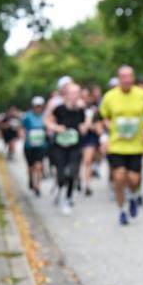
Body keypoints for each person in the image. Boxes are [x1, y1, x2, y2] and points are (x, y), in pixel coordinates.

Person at [99, 65, 143, 225]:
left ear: (133, 78)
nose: (127, 80)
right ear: (118, 79)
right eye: (123, 77)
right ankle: (121, 210)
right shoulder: (109, 97)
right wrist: (105, 136)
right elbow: (101, 117)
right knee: (119, 177)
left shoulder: (142, 95)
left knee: (134, 179)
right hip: (116, 145)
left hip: (136, 145)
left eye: (129, 77)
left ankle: (133, 197)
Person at [45, 83, 91, 215]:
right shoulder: (58, 108)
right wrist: (55, 128)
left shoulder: (81, 108)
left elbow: (87, 121)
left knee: (72, 172)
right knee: (61, 175)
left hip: (75, 146)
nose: (75, 96)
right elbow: (47, 120)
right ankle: (59, 187)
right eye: (72, 93)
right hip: (59, 145)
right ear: (65, 94)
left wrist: (85, 126)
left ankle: (68, 198)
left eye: (77, 93)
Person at [21, 96, 48, 197]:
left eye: (40, 106)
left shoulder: (45, 116)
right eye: (36, 106)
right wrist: (23, 135)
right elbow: (22, 128)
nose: (38, 108)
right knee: (31, 167)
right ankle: (31, 179)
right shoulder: (27, 116)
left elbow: (49, 127)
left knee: (39, 165)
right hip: (29, 145)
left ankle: (37, 186)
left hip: (41, 145)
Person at [80, 87, 103, 196]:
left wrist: (91, 127)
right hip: (76, 138)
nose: (84, 99)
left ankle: (87, 185)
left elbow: (98, 124)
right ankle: (76, 180)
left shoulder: (93, 109)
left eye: (86, 96)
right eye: (82, 96)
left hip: (90, 138)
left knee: (87, 161)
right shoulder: (75, 108)